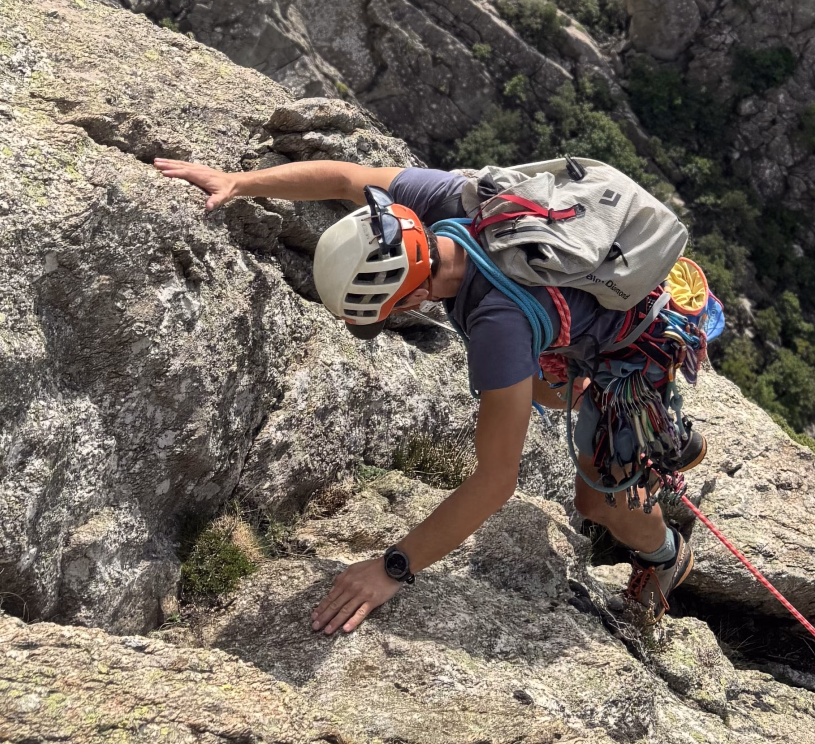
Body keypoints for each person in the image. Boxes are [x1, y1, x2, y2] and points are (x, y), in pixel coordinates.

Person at [155, 151, 701, 634]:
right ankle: (651, 431)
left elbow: (496, 481)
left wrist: (392, 567)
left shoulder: (499, 323)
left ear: (412, 295)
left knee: (597, 502)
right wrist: (238, 182)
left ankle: (665, 554)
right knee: (550, 391)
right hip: (600, 282)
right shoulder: (441, 204)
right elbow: (344, 178)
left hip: (638, 345)